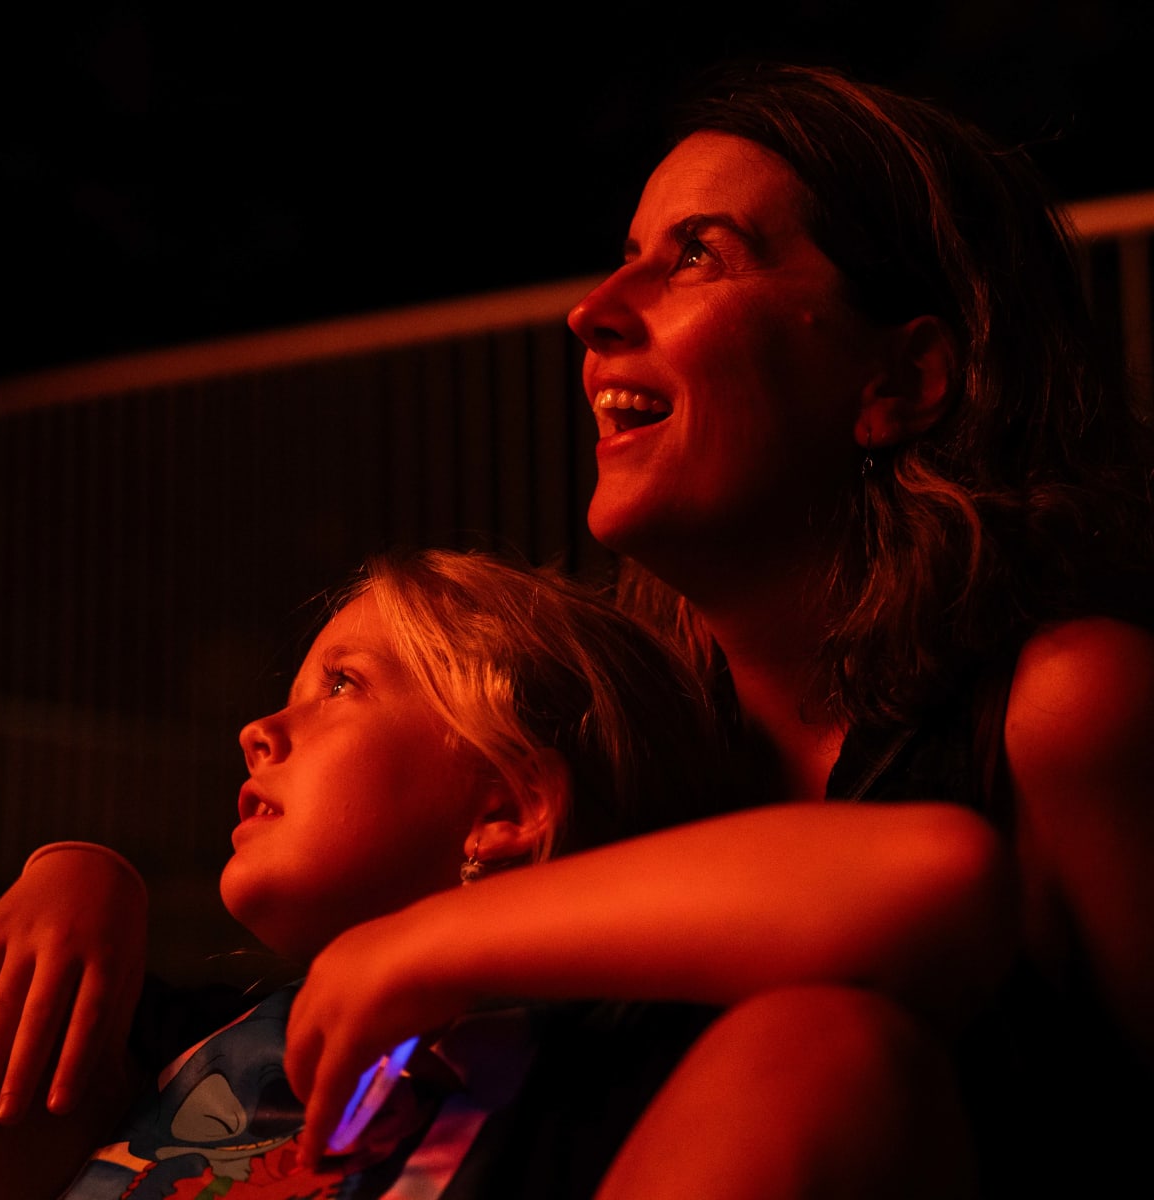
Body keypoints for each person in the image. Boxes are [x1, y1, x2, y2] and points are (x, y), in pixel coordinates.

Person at [222, 62, 1152, 1198]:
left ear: (902, 378)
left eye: (699, 254)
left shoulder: (1066, 706)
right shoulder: (627, 743)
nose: (593, 310)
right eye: (628, 253)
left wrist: (425, 942)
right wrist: (81, 880)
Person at [0, 547, 1005, 1198]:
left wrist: (425, 943)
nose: (258, 730)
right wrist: (77, 867)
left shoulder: (600, 1072)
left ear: (504, 809)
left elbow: (934, 873)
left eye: (340, 686)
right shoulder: (192, 1042)